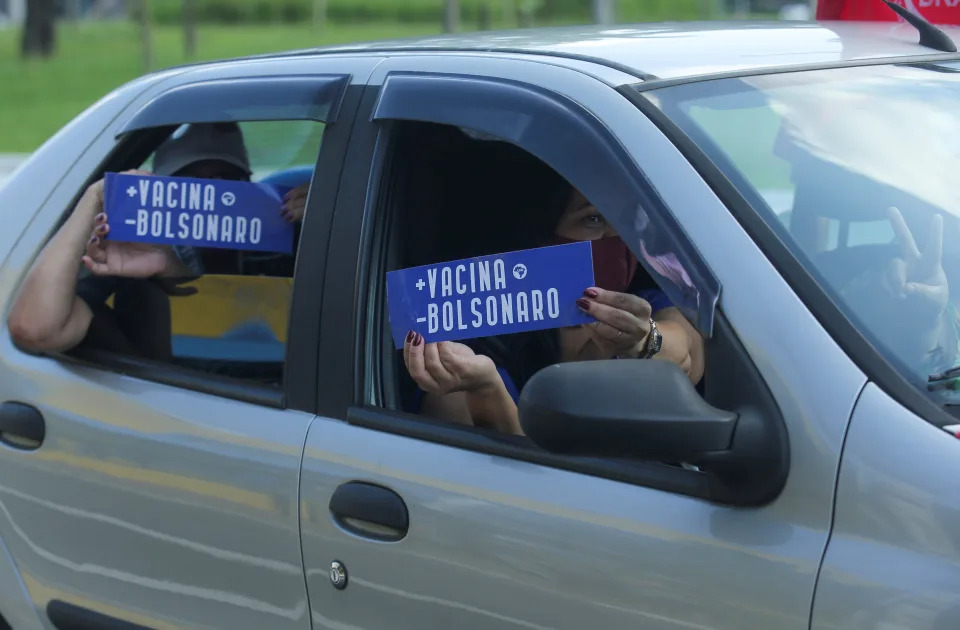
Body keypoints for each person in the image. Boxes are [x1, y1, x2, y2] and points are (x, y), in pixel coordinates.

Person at [400, 145, 705, 435]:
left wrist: (644, 341)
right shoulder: (467, 355)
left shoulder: (644, 303)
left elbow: (687, 355)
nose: (616, 236)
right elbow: (516, 480)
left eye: (624, 217)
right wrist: (486, 388)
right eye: (593, 219)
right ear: (538, 232)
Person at [8, 122, 309, 358]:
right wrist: (93, 199)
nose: (207, 196)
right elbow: (34, 328)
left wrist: (328, 215)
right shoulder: (128, 270)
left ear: (248, 186)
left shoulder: (299, 242)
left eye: (224, 181)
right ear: (156, 196)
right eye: (187, 183)